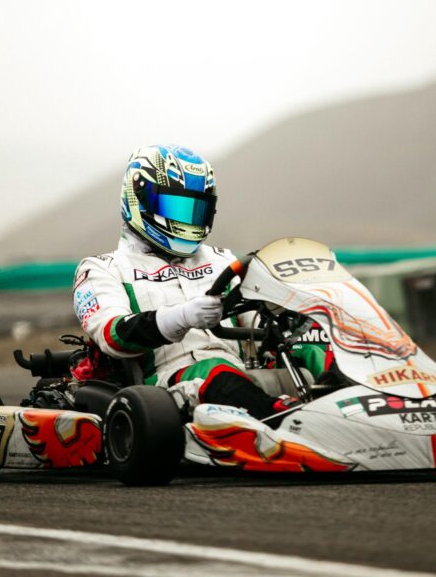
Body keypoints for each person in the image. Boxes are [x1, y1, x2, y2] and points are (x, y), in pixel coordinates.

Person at [73, 144, 330, 418]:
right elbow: (113, 336)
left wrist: (286, 312)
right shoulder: (102, 269)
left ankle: (355, 400)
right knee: (217, 372)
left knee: (315, 346)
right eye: (175, 206)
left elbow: (256, 321)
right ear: (139, 198)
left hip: (239, 373)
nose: (185, 219)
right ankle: (285, 419)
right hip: (167, 386)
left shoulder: (222, 260)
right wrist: (183, 316)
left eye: (195, 210)